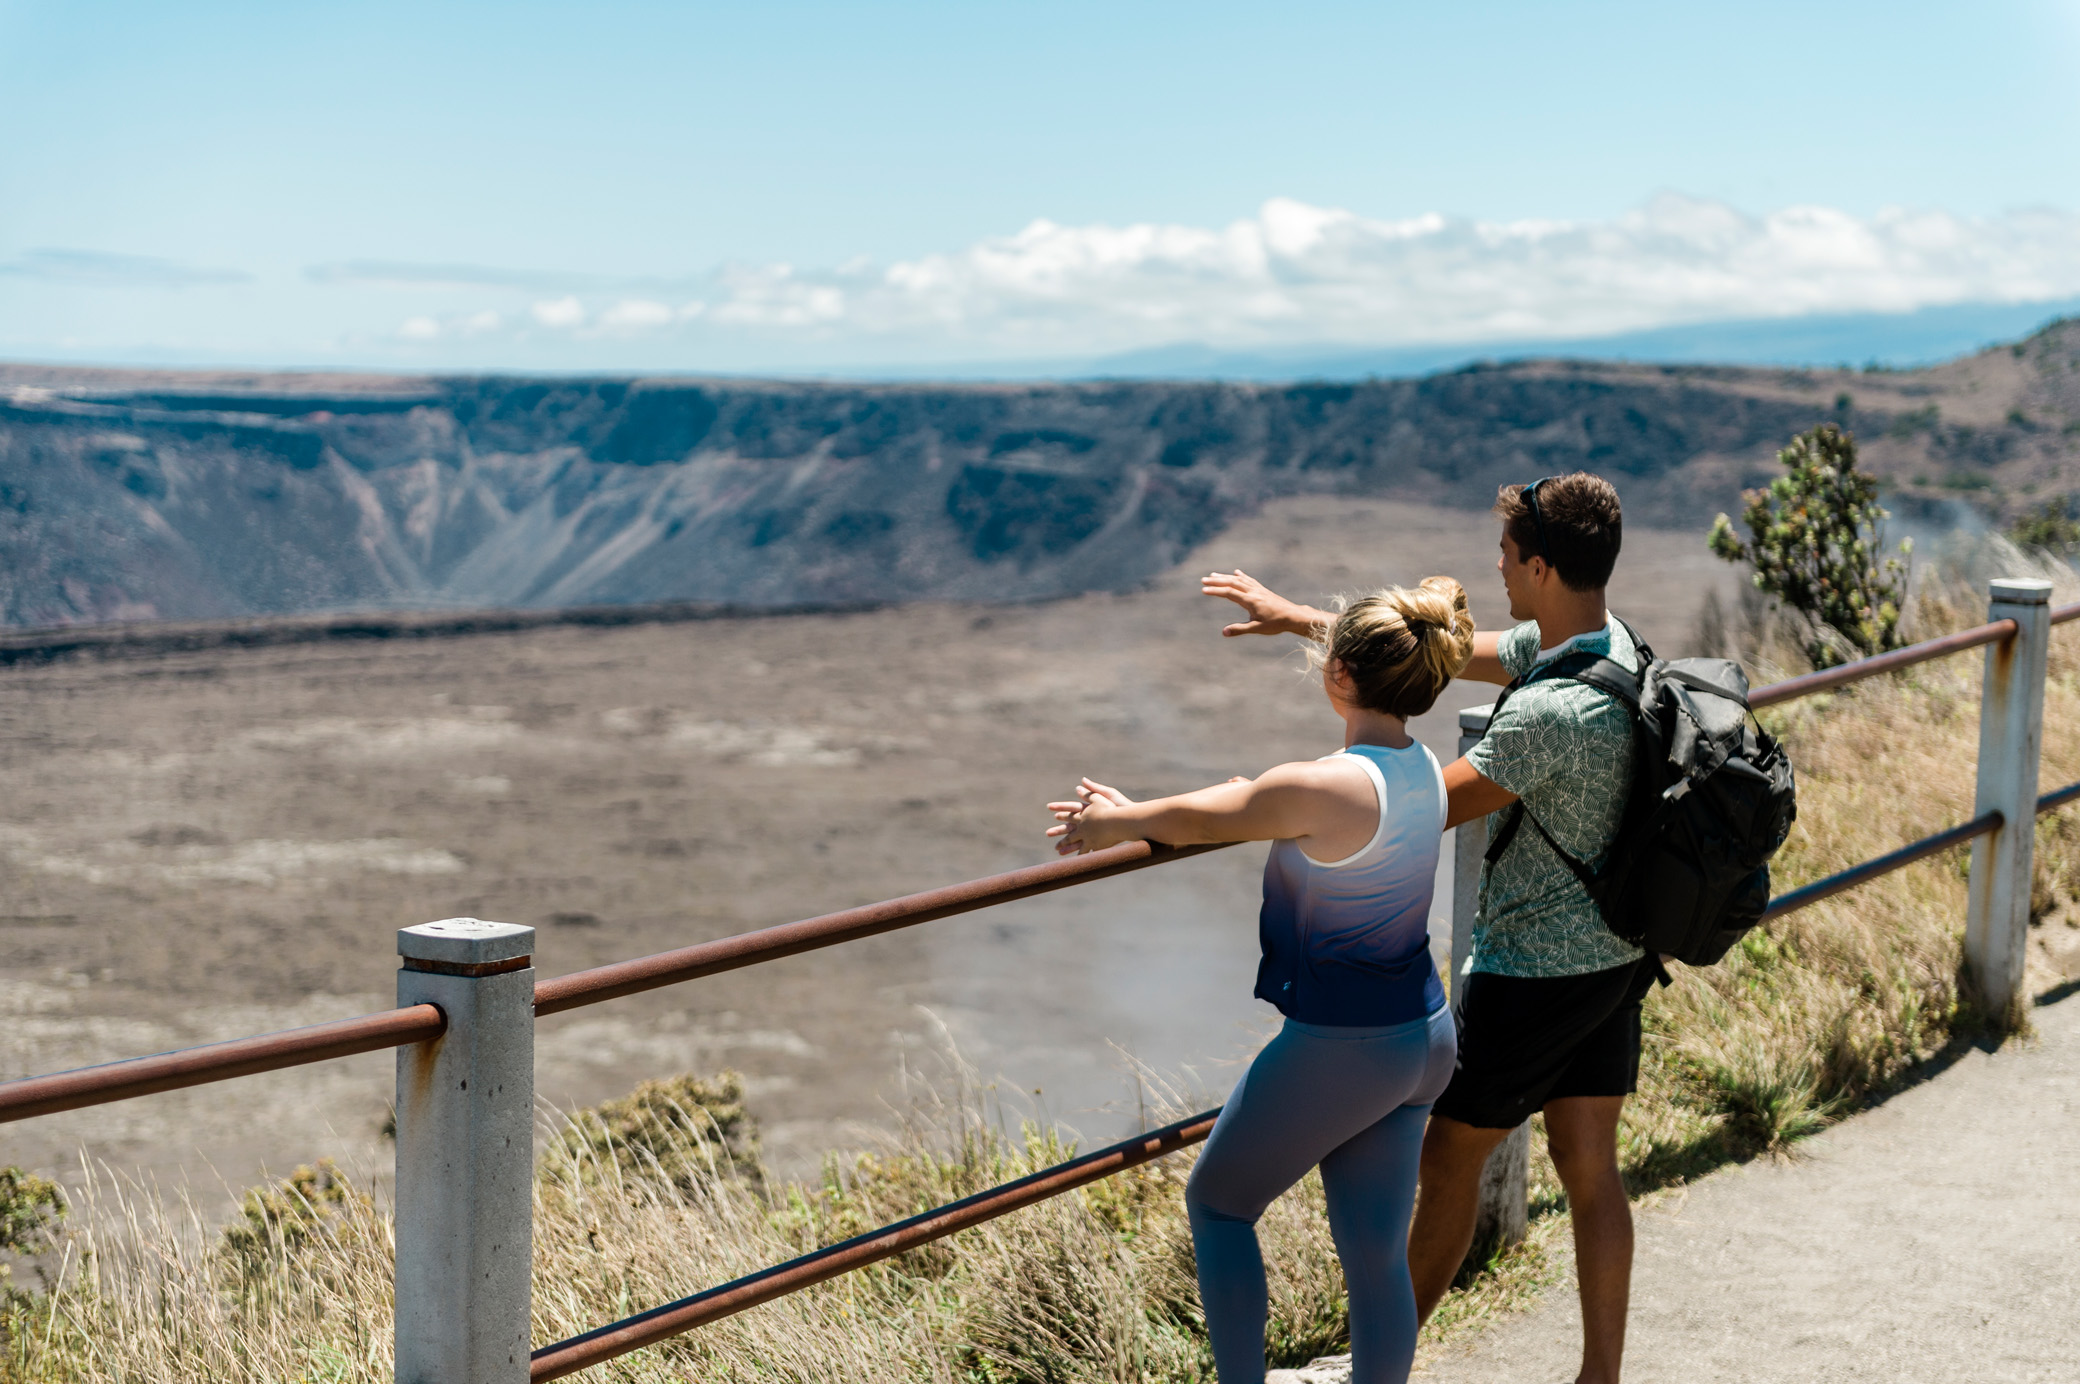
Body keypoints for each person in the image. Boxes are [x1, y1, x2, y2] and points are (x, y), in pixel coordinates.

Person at [1202, 472, 1650, 1384]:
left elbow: (1409, 808)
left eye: (1504, 556)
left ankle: (1374, 1366)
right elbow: (1444, 653)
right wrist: (1303, 622)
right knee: (1590, 1166)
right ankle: (1600, 1377)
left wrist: (1287, 800)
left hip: (1534, 970)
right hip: (1616, 953)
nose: (1496, 570)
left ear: (1538, 565)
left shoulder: (1552, 713)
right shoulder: (1606, 647)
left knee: (1447, 1159)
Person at [1047, 579, 1475, 1384]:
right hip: (1423, 1037)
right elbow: (1248, 800)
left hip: (1347, 1046)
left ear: (1339, 675)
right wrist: (1139, 811)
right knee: (1375, 1254)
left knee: (1218, 1204)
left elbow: (1220, 814)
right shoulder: (1421, 767)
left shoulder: (1326, 785)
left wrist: (1119, 819)